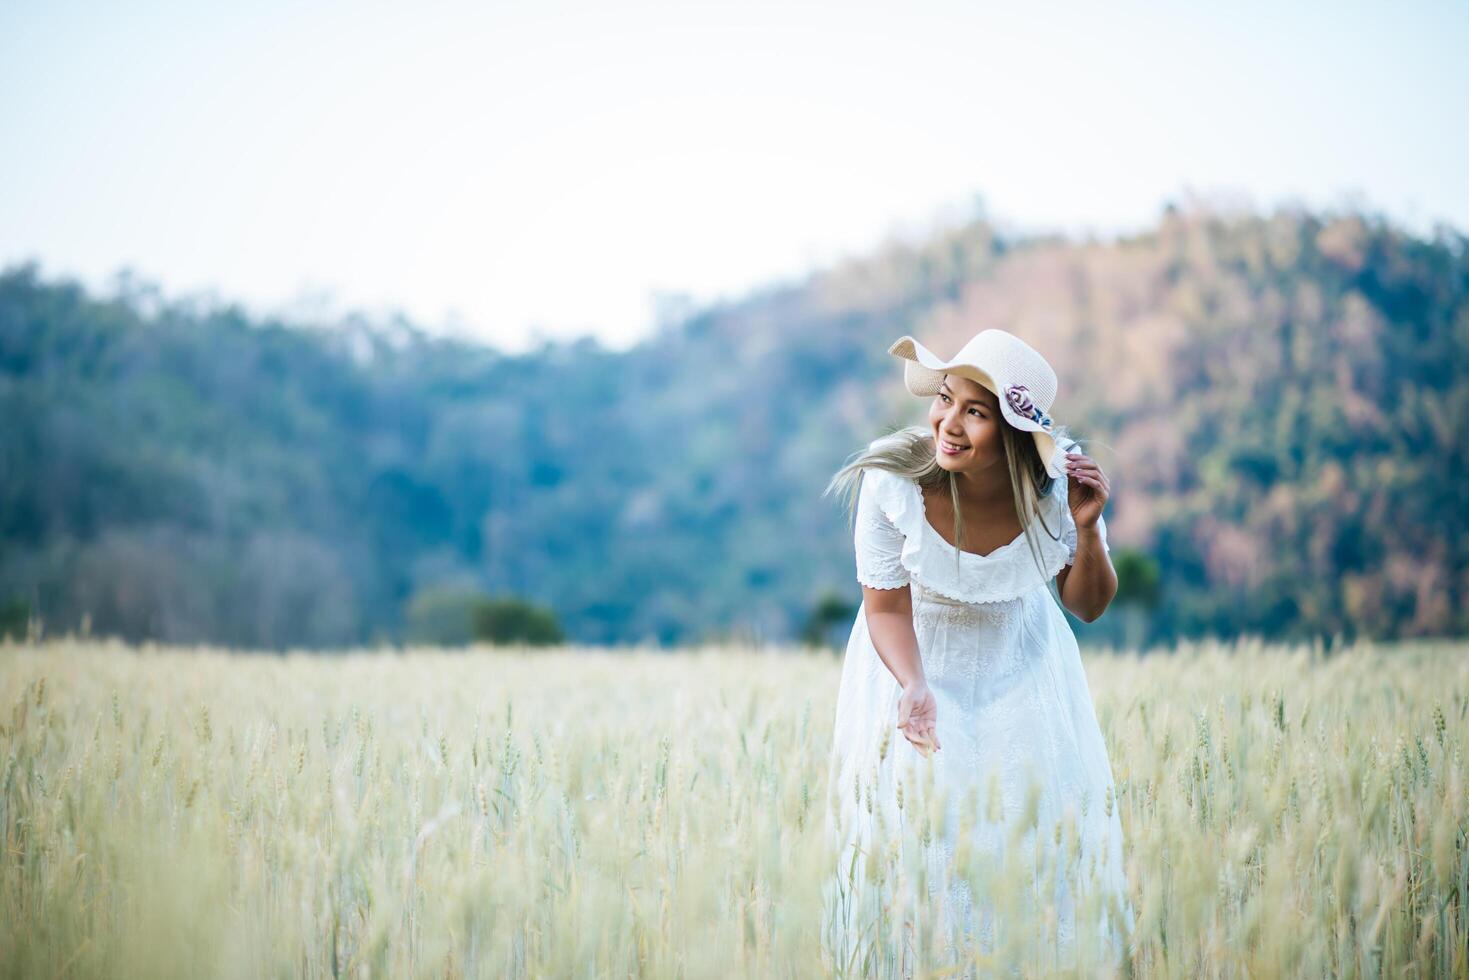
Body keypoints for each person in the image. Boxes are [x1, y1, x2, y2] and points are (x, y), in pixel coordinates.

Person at [819, 329, 1136, 978]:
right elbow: (883, 607)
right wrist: (912, 686)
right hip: (908, 662)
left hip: (1022, 670)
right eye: (944, 399)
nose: (949, 423)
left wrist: (1086, 531)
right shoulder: (892, 480)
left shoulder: (1058, 485)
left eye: (976, 411)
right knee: (913, 843)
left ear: (1015, 433)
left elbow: (1088, 604)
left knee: (1025, 842)